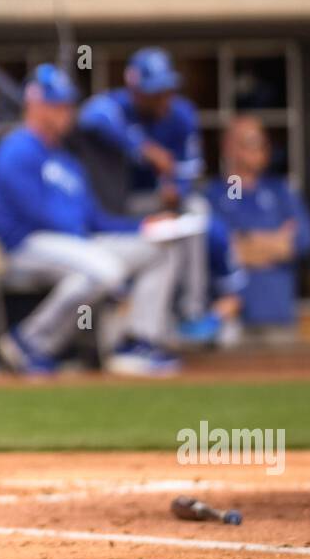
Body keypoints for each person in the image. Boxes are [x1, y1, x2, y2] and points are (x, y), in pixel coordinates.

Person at [0, 64, 184, 377]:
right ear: (36, 105)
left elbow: (95, 219)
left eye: (67, 104)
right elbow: (34, 214)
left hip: (78, 245)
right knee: (105, 269)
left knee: (160, 248)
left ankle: (136, 342)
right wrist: (86, 238)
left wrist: (144, 226)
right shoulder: (17, 148)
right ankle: (30, 341)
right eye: (59, 104)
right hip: (25, 246)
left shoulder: (66, 160)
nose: (67, 112)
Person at [76, 46, 216, 340]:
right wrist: (143, 149)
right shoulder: (120, 106)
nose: (162, 97)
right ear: (136, 91)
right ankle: (138, 323)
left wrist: (176, 190)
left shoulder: (182, 115)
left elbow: (190, 171)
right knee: (160, 246)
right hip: (124, 205)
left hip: (163, 201)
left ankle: (191, 310)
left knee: (197, 213)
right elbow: (90, 116)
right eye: (154, 91)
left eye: (166, 89)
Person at [205, 115, 310, 340]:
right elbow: (216, 248)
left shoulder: (281, 191)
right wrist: (275, 242)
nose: (259, 149)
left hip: (276, 314)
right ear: (228, 147)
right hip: (229, 318)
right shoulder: (212, 195)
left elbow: (304, 240)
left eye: (262, 142)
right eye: (249, 142)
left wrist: (246, 244)